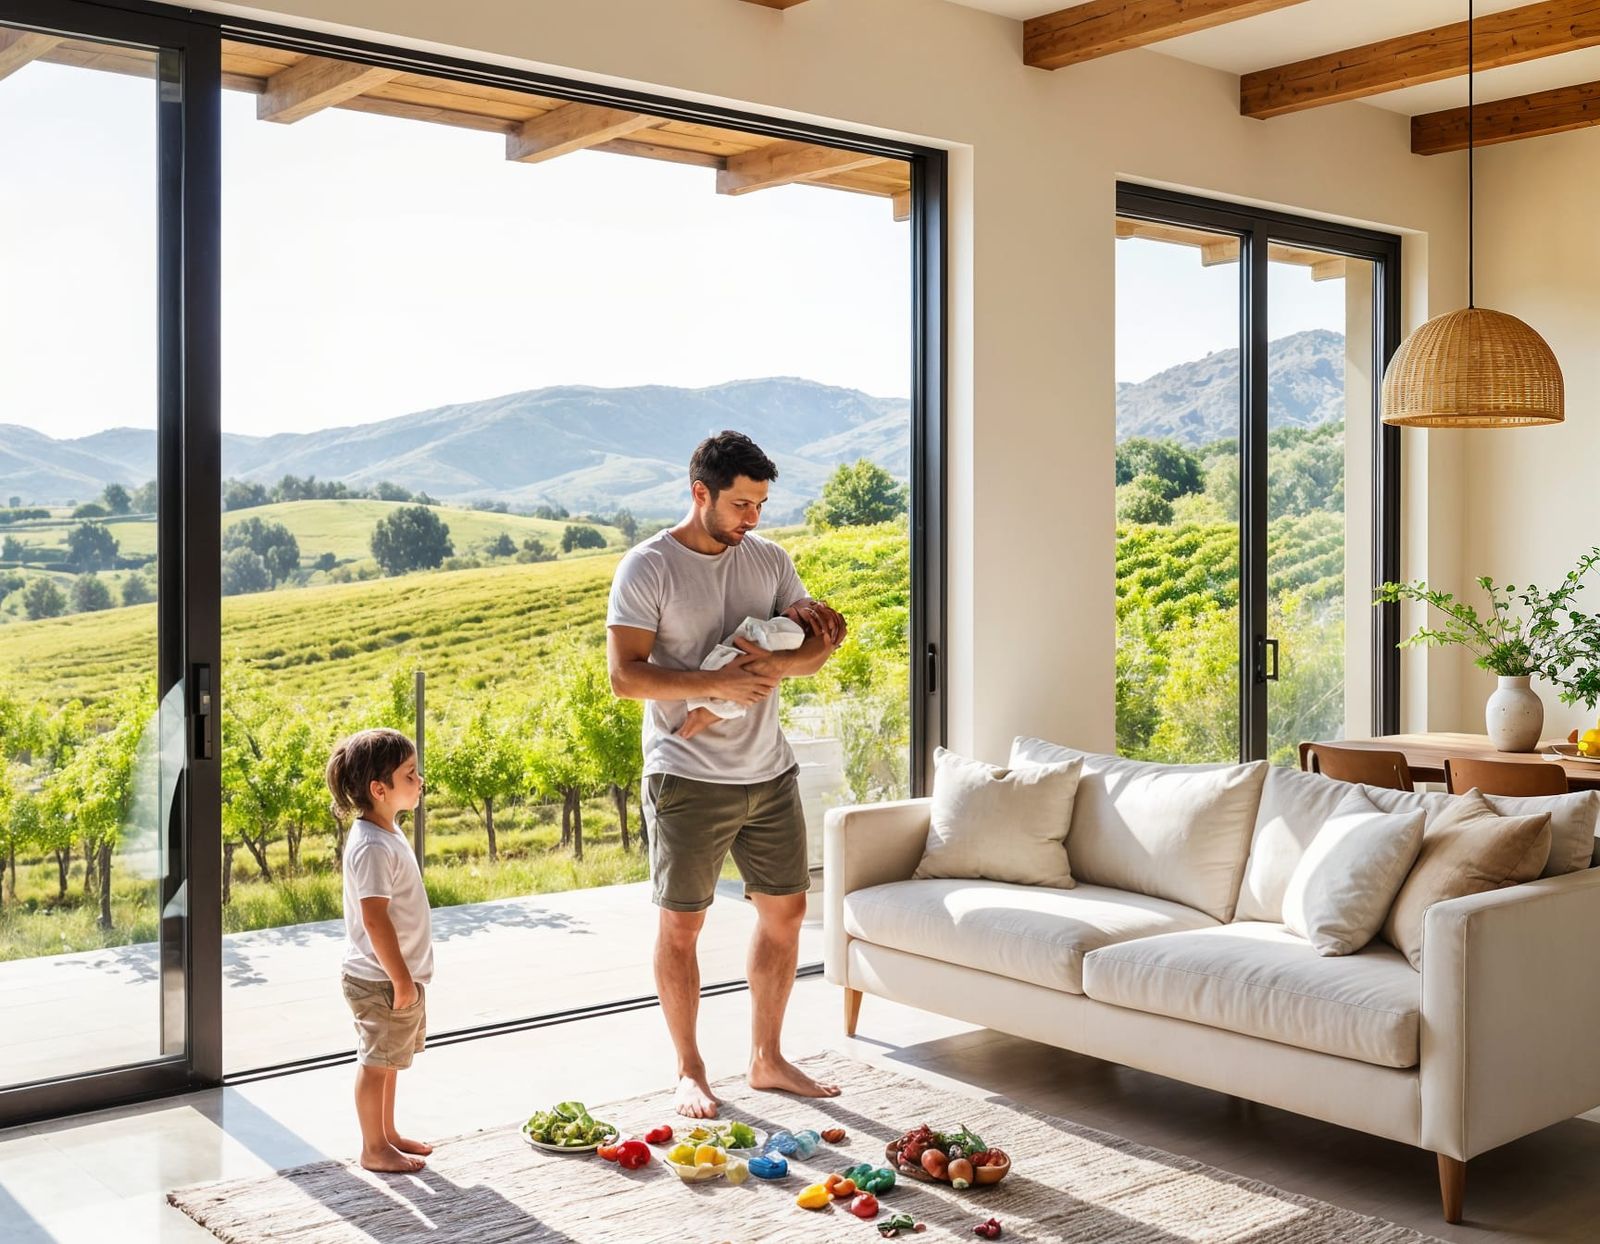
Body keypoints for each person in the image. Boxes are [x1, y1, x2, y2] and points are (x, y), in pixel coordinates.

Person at [607, 430, 848, 1118]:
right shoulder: (648, 567)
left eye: (761, 504)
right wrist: (714, 690)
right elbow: (626, 679)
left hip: (768, 772)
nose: (753, 519)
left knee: (787, 915)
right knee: (683, 926)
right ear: (700, 493)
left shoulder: (769, 559)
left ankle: (767, 1060)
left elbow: (816, 649)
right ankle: (689, 1070)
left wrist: (756, 674)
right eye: (741, 504)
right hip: (686, 776)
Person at [327, 728, 434, 1173]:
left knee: (389, 1059)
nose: (420, 780)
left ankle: (387, 1135)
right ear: (379, 789)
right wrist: (401, 979)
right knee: (376, 1062)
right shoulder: (371, 845)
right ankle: (373, 1147)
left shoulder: (386, 831)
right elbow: (375, 919)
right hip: (380, 978)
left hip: (392, 977)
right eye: (410, 774)